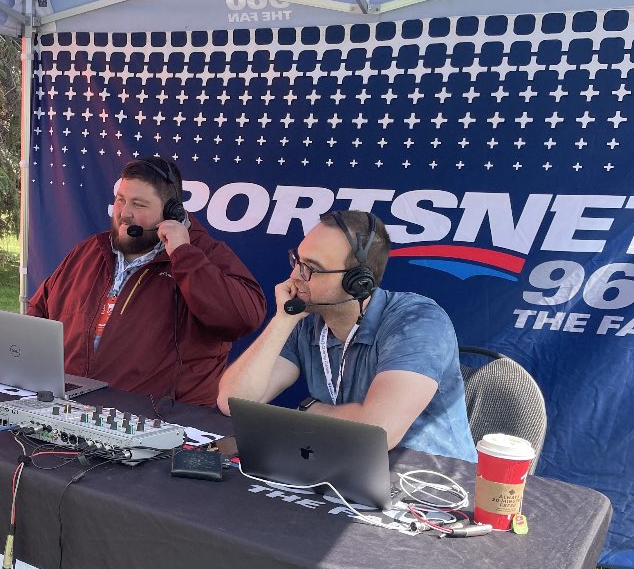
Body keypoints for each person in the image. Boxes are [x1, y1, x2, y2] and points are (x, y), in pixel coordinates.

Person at [216, 210, 477, 462]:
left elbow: (377, 433)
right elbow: (232, 403)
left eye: (311, 268)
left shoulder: (419, 321)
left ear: (358, 282)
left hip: (433, 488)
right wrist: (282, 320)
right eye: (297, 260)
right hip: (348, 470)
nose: (295, 276)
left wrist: (310, 410)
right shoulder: (306, 321)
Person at [27, 156, 266, 408]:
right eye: (121, 200)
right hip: (71, 408)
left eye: (139, 204)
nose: (124, 213)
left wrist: (184, 255)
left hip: (162, 421)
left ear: (171, 211)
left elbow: (244, 317)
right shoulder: (89, 250)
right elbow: (39, 313)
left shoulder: (203, 255)